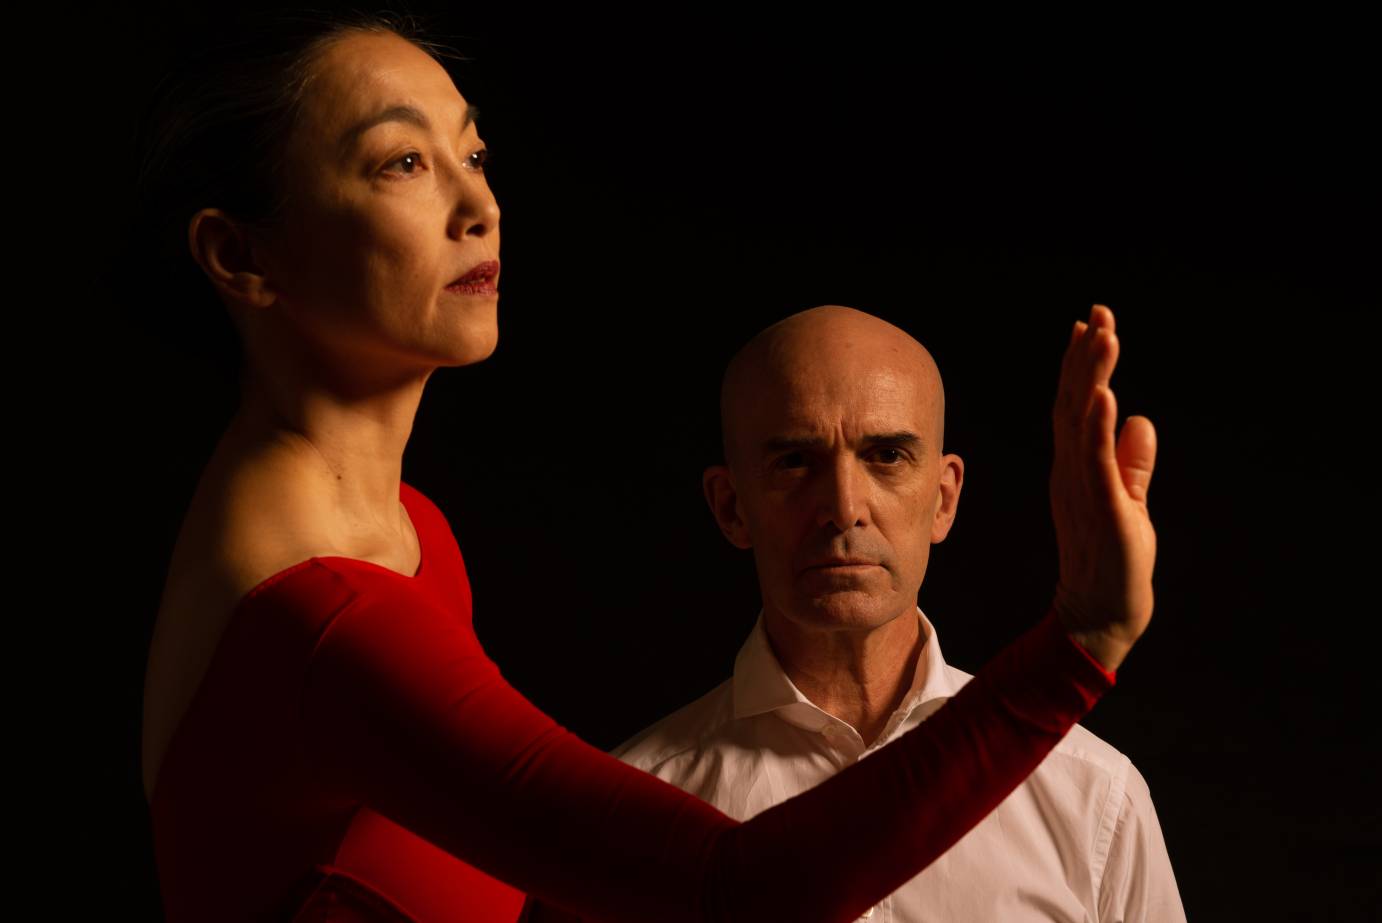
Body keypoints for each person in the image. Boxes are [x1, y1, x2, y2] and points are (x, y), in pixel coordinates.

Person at [136, 9, 1156, 923]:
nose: (478, 206)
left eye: (474, 154)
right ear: (240, 257)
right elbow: (737, 890)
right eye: (401, 162)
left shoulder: (408, 531)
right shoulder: (319, 614)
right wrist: (1079, 637)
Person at [602, 305, 1185, 922]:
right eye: (795, 461)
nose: (844, 508)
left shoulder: (1097, 796)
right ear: (730, 507)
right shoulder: (633, 814)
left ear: (943, 498)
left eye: (885, 456)